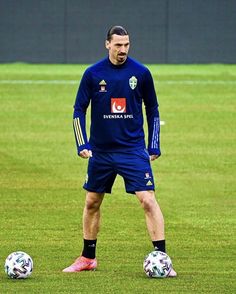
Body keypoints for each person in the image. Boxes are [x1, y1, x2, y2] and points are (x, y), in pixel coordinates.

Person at [63, 25, 177, 277]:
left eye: (126, 45)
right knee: (92, 201)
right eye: (118, 45)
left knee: (147, 200)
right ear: (107, 44)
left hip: (132, 150)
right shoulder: (93, 74)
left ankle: (163, 260)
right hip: (101, 152)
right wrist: (82, 144)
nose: (122, 49)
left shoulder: (141, 73)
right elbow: (78, 110)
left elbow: (153, 110)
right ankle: (87, 258)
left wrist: (154, 143)